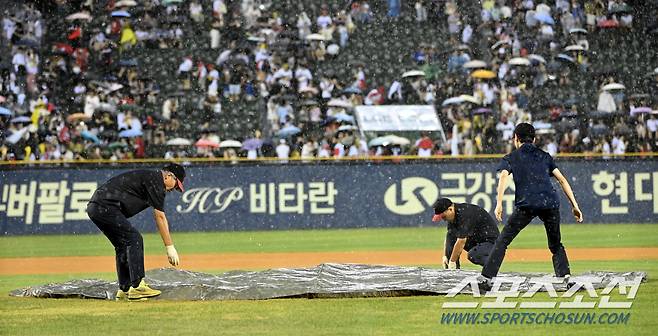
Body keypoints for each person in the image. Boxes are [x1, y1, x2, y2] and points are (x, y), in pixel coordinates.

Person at [478, 123, 583, 292]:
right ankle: (564, 277)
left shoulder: (511, 157)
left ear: (515, 139)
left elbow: (503, 176)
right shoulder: (545, 156)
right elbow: (562, 180)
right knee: (555, 244)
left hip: (527, 204)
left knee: (503, 240)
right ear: (534, 139)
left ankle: (486, 278)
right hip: (550, 202)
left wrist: (499, 203)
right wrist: (574, 205)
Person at [86, 163, 186, 300]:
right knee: (134, 239)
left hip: (95, 208)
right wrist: (169, 246)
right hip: (105, 206)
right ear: (169, 176)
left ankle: (125, 289)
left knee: (122, 245)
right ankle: (138, 286)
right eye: (176, 184)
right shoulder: (156, 181)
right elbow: (160, 217)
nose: (173, 189)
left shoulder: (151, 178)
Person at [431, 198, 499, 269]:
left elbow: (461, 241)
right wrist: (445, 256)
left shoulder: (464, 214)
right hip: (477, 239)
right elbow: (449, 237)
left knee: (474, 255)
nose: (444, 220)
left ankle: (492, 268)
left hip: (492, 242)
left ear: (450, 209)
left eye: (444, 217)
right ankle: (453, 272)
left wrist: (452, 262)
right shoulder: (453, 215)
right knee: (451, 237)